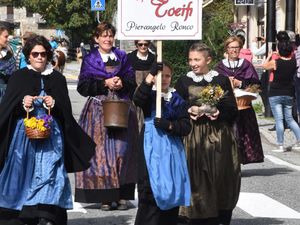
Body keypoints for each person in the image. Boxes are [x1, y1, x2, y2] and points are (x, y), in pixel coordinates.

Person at [0, 35, 95, 225]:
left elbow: (65, 111)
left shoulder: (57, 78)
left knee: (51, 173)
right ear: (29, 56)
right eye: (35, 54)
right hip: (24, 137)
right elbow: (8, 108)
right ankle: (25, 215)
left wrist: (55, 103)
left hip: (51, 137)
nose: (39, 57)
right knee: (23, 173)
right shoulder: (19, 77)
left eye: (43, 54)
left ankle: (48, 215)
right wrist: (23, 104)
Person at [74, 22, 138, 211]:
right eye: (104, 36)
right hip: (97, 112)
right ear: (96, 39)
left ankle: (121, 195)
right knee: (100, 155)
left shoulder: (122, 56)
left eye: (110, 35)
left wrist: (121, 83)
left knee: (122, 152)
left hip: (121, 107)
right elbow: (82, 87)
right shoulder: (90, 59)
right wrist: (104, 83)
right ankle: (104, 196)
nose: (108, 39)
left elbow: (131, 82)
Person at [175, 43, 240, 225]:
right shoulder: (183, 81)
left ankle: (220, 214)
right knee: (195, 176)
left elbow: (232, 110)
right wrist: (189, 109)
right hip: (193, 136)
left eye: (197, 59)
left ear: (208, 60)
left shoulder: (220, 80)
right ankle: (196, 216)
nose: (193, 63)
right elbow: (176, 107)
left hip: (218, 134)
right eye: (190, 59)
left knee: (221, 175)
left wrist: (219, 113)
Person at [133, 62, 191, 225]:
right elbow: (138, 99)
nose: (164, 79)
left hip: (172, 149)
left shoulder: (177, 98)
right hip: (151, 146)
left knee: (172, 188)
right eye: (161, 75)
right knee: (150, 190)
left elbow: (186, 126)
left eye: (167, 75)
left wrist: (170, 125)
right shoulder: (150, 96)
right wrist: (150, 76)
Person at [216, 36, 264, 165]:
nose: (234, 50)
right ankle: (229, 163)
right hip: (226, 107)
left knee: (243, 136)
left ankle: (239, 162)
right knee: (229, 135)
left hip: (243, 107)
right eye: (231, 47)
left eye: (236, 47)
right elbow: (214, 85)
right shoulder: (220, 66)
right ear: (227, 49)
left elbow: (256, 84)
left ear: (240, 48)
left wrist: (240, 83)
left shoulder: (246, 65)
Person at [262, 40, 300, 152]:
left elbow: (264, 66)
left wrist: (269, 56)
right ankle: (299, 141)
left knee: (279, 119)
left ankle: (280, 145)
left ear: (279, 50)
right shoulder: (294, 62)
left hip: (275, 93)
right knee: (290, 119)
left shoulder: (275, 62)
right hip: (289, 93)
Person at [127, 40, 157, 130]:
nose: (143, 46)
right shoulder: (129, 58)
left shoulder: (154, 59)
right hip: (133, 96)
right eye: (140, 44)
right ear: (136, 45)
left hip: (149, 95)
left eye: (146, 44)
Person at [0, 26, 16, 102]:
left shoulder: (9, 54)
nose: (7, 39)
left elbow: (13, 75)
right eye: (5, 37)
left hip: (5, 94)